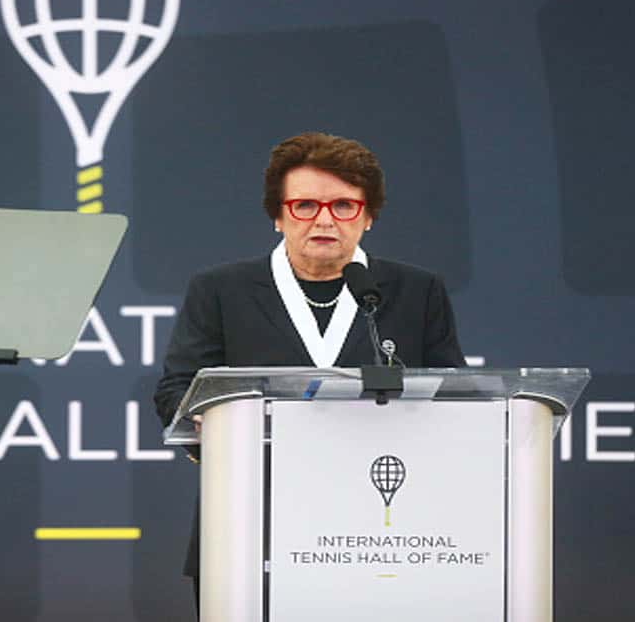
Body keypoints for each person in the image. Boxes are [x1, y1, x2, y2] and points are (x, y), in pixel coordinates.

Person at [152, 132, 466, 616]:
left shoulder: (416, 291)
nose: (324, 219)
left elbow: (457, 397)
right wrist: (203, 417)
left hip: (387, 534)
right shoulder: (220, 290)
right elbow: (176, 390)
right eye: (304, 205)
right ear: (278, 216)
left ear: (368, 216)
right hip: (249, 524)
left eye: (343, 206)